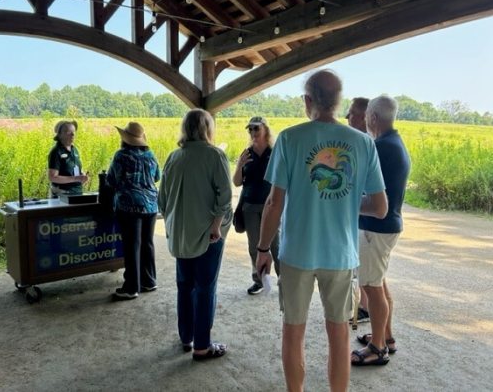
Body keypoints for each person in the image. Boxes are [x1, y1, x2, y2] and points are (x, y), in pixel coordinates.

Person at [256, 69, 388, 392]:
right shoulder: (363, 143)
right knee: (339, 333)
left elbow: (274, 203)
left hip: (296, 254)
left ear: (307, 101)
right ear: (338, 102)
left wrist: (262, 250)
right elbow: (381, 208)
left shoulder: (289, 138)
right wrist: (349, 205)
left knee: (293, 331)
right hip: (340, 255)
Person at [158, 108, 232, 361]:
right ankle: (202, 344)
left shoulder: (174, 156)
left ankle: (186, 337)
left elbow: (162, 199)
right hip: (208, 234)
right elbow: (225, 197)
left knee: (184, 285)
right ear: (207, 129)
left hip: (180, 233)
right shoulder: (215, 155)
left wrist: (172, 226)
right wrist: (216, 226)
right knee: (205, 287)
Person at [351, 96, 411, 365]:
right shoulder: (393, 144)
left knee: (372, 287)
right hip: (386, 227)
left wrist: (346, 202)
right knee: (380, 283)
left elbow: (374, 201)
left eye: (365, 117)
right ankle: (385, 336)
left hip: (376, 228)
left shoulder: (381, 148)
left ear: (373, 117)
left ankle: (378, 348)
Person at [107, 122, 161, 301]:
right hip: (151, 205)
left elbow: (111, 179)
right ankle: (149, 281)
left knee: (132, 246)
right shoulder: (150, 155)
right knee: (147, 243)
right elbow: (157, 177)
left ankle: (131, 287)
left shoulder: (121, 156)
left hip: (129, 206)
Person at [232, 116, 280, 295]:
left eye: (256, 128)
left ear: (265, 129)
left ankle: (283, 279)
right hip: (250, 206)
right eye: (250, 129)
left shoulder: (274, 152)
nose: (252, 132)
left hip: (272, 205)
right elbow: (237, 182)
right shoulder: (246, 154)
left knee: (275, 244)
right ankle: (259, 280)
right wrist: (239, 166)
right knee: (254, 245)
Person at [346, 97, 371, 324]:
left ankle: (364, 308)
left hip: (368, 220)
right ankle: (362, 307)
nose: (347, 118)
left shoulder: (367, 144)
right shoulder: (364, 142)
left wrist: (347, 202)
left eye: (351, 113)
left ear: (364, 116)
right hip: (362, 218)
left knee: (368, 273)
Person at [48, 120, 88, 196]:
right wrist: (76, 178)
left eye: (74, 132)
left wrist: (82, 176)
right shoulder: (56, 152)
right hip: (62, 194)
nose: (73, 134)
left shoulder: (74, 149)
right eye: (69, 132)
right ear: (60, 135)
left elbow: (74, 168)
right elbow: (52, 177)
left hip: (77, 192)